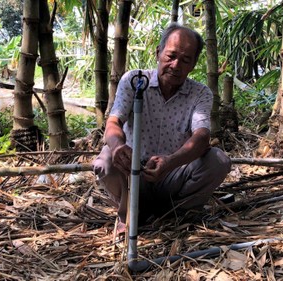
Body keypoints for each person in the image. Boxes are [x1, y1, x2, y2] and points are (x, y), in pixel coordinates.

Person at [93, 24, 231, 230]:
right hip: (132, 175)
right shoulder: (135, 81)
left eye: (185, 60)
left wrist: (170, 162)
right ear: (158, 53)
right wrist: (119, 147)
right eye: (171, 56)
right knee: (105, 160)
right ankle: (131, 211)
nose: (175, 65)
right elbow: (113, 123)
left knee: (218, 160)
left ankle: (178, 213)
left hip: (174, 175)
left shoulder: (200, 93)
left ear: (193, 65)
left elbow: (202, 138)